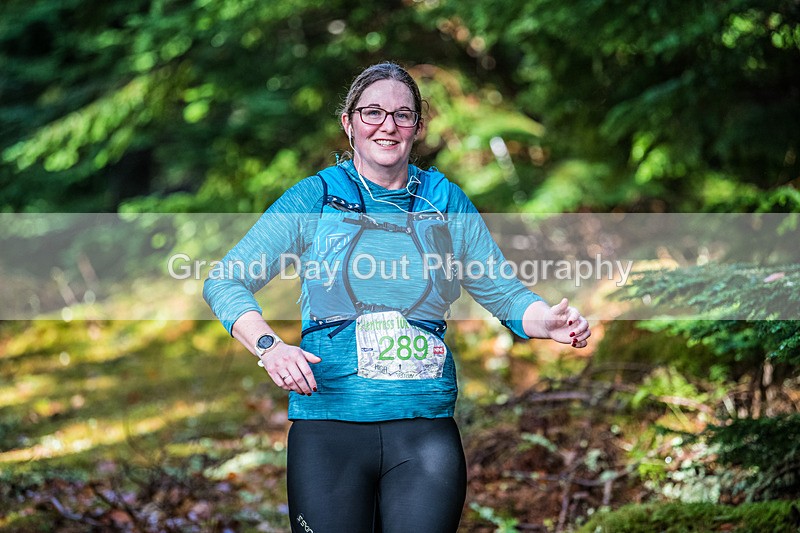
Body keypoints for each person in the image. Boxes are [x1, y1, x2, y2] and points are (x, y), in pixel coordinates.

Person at [203, 62, 591, 533]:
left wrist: (544, 321)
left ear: (417, 128)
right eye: (373, 112)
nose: (388, 125)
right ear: (348, 123)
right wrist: (270, 347)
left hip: (424, 432)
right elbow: (225, 280)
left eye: (402, 115)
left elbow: (503, 291)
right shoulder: (316, 198)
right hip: (329, 431)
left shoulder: (444, 200)